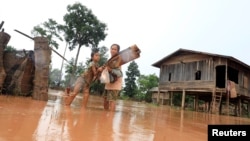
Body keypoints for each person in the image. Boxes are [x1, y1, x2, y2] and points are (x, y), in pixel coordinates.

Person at [102, 44, 123, 111]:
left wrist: (110, 70)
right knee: (105, 100)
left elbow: (119, 74)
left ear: (118, 51)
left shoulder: (118, 60)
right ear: (110, 50)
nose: (113, 50)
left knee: (112, 101)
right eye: (112, 49)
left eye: (115, 49)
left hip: (115, 84)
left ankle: (110, 119)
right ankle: (105, 118)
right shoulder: (109, 61)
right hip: (108, 83)